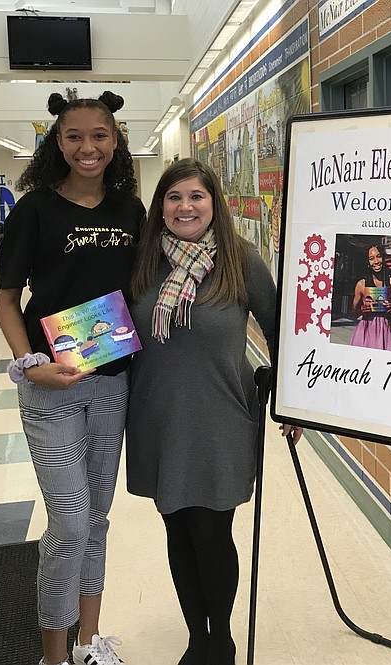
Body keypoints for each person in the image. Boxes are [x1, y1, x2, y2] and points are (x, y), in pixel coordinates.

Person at [124, 158, 301, 665]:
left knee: (210, 530)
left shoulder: (242, 262)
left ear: (213, 203)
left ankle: (219, 637)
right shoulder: (142, 261)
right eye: (174, 197)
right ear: (160, 206)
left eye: (196, 196)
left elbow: (280, 332)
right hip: (157, 415)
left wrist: (294, 401)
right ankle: (194, 636)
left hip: (221, 415)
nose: (185, 207)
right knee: (176, 527)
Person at [0, 91, 145, 665]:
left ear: (116, 141)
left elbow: (139, 289)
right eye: (74, 136)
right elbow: (8, 301)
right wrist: (31, 363)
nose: (88, 147)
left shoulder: (129, 210)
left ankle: (89, 643)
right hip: (50, 385)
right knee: (70, 514)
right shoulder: (34, 210)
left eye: (99, 136)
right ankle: (53, 655)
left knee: (98, 515)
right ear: (56, 143)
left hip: (111, 381)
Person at [349, 243, 391, 350]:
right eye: (371, 258)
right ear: (367, 262)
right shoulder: (361, 285)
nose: (376, 261)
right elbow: (353, 314)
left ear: (383, 258)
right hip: (364, 333)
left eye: (379, 256)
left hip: (385, 334)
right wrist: (362, 310)